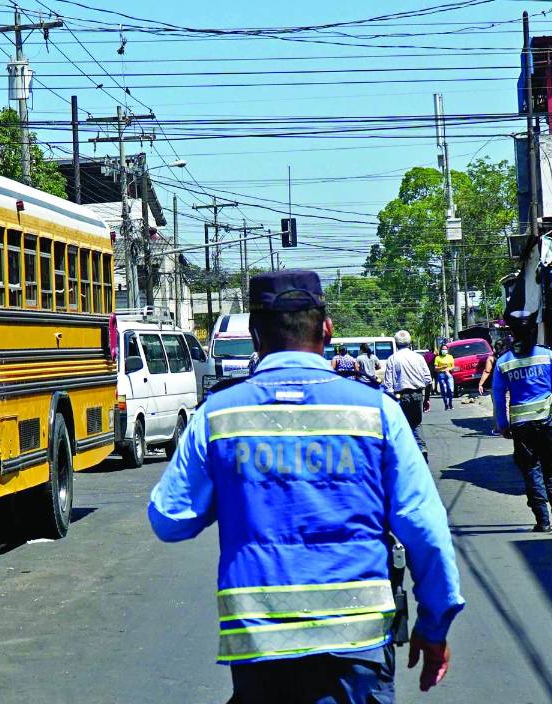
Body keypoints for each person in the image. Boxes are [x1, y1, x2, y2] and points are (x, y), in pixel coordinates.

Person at [148, 271, 464, 704]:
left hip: (261, 651)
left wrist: (228, 486)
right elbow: (425, 530)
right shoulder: (378, 413)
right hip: (358, 648)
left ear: (255, 335)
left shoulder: (217, 417)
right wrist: (434, 625)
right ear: (328, 329)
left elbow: (169, 519)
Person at [492, 311, 552, 532]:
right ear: (532, 330)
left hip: (521, 427)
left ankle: (542, 521)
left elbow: (498, 397)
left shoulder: (503, 362)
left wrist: (502, 424)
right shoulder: (547, 356)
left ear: (512, 333)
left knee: (531, 470)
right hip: (547, 422)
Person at [383, 331, 434, 461]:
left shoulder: (393, 359)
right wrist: (426, 399)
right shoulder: (418, 357)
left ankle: (406, 454)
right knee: (416, 424)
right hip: (417, 395)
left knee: (403, 425)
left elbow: (388, 386)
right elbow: (428, 380)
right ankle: (422, 448)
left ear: (396, 343)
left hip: (401, 396)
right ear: (410, 343)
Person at [478, 338, 508, 436]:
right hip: (508, 384)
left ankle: (497, 428)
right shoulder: (508, 357)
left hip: (495, 385)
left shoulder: (491, 358)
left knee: (497, 407)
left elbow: (487, 371)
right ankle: (509, 427)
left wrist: (480, 384)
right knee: (508, 406)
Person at [433, 346, 455, 411]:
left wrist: (448, 369)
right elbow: (435, 368)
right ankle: (446, 405)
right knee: (444, 389)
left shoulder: (450, 357)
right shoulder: (437, 358)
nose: (444, 350)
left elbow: (453, 366)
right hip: (441, 374)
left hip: (449, 374)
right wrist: (442, 367)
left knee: (450, 389)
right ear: (441, 350)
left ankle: (450, 403)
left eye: (445, 349)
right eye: (443, 349)